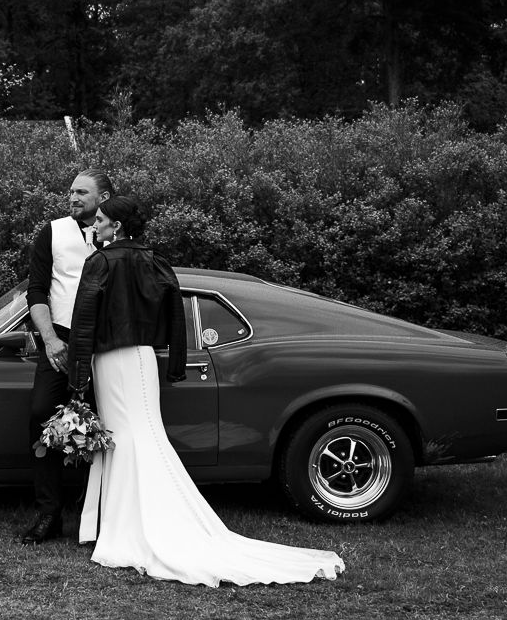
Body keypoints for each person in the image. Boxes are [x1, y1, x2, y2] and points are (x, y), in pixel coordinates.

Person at [69, 196, 346, 587]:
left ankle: (130, 525)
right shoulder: (154, 261)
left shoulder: (99, 262)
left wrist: (77, 375)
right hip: (144, 358)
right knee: (143, 435)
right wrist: (176, 362)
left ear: (117, 226)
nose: (93, 225)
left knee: (126, 437)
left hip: (112, 359)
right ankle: (136, 519)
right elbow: (175, 316)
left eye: (99, 220)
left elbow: (84, 321)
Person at [19, 170, 113, 544]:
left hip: (107, 345)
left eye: (81, 192)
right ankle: (49, 513)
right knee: (41, 414)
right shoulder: (53, 231)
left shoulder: (118, 233)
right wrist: (50, 340)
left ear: (103, 198)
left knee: (109, 423)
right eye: (71, 191)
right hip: (61, 341)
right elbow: (37, 291)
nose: (72, 197)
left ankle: (102, 514)